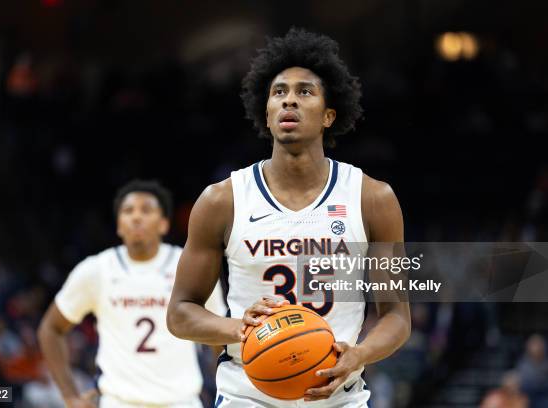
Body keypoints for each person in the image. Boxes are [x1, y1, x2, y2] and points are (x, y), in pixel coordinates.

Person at [167, 28, 411, 407]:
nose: (289, 102)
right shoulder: (222, 201)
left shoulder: (372, 198)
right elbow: (180, 313)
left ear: (330, 114)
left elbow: (396, 315)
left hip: (339, 398)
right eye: (279, 92)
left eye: (305, 92)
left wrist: (360, 354)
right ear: (265, 111)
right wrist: (241, 328)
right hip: (246, 397)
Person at [38, 179, 225, 408]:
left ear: (164, 224)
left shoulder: (189, 267)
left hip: (181, 401)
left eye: (146, 210)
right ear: (119, 225)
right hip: (119, 402)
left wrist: (226, 395)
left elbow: (219, 337)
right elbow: (50, 329)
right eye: (128, 211)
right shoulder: (97, 269)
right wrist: (70, 397)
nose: (136, 217)